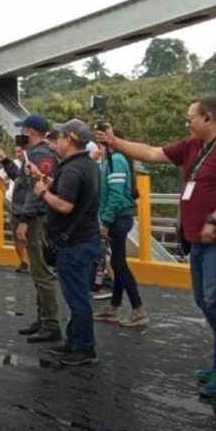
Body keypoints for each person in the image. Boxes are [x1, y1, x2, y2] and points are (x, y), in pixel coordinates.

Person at [98, 96, 216, 397]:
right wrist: (116, 142)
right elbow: (153, 152)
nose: (187, 123)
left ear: (208, 117)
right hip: (198, 240)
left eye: (190, 117)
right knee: (205, 300)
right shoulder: (193, 146)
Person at [33, 119, 101, 366]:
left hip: (73, 243)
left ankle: (83, 348)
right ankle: (74, 341)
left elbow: (65, 205)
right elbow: (71, 193)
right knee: (78, 294)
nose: (56, 142)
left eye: (60, 138)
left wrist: (42, 192)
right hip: (86, 238)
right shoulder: (87, 165)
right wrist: (49, 183)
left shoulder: (71, 169)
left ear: (69, 140)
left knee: (77, 298)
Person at [0, 114, 62, 343]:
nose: (20, 132)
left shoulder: (40, 154)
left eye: (23, 129)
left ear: (30, 131)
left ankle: (50, 323)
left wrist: (24, 220)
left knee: (42, 272)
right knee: (37, 271)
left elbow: (36, 191)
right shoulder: (32, 154)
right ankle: (43, 319)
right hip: (33, 216)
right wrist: (5, 162)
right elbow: (22, 181)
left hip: (36, 219)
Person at [93, 127, 148, 327]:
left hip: (117, 218)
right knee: (118, 263)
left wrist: (105, 221)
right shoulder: (113, 160)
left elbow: (115, 196)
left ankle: (138, 310)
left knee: (119, 265)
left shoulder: (115, 161)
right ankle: (114, 307)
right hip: (119, 217)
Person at [0, 145, 29, 273]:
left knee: (28, 234)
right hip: (14, 202)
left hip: (28, 202)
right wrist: (6, 193)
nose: (18, 154)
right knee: (16, 234)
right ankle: (23, 261)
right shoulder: (12, 164)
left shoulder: (31, 163)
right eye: (16, 152)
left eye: (20, 151)